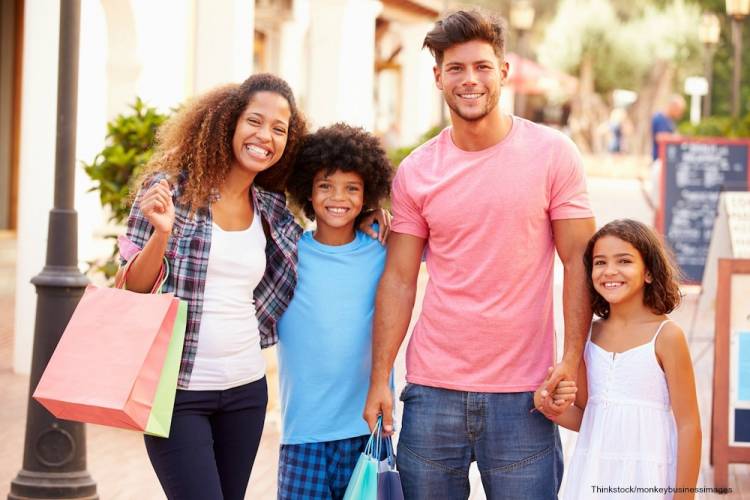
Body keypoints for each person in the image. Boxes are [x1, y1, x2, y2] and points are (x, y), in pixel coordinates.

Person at [363, 9, 596, 500]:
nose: (470, 80)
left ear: (504, 71)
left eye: (482, 66)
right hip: (431, 392)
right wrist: (380, 378)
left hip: (525, 396)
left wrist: (572, 359)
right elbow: (400, 279)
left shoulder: (553, 155)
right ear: (438, 77)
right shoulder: (417, 171)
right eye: (456, 68)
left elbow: (580, 260)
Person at [117, 74, 385, 500]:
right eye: (255, 121)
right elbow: (131, 289)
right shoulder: (170, 190)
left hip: (245, 391)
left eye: (279, 129)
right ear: (229, 123)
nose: (265, 136)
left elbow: (323, 233)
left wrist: (368, 213)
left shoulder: (271, 208)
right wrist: (161, 236)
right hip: (178, 390)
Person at [535, 219, 701, 499]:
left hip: (650, 478)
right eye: (600, 263)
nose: (610, 271)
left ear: (648, 272)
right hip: (594, 476)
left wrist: (684, 496)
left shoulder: (667, 336)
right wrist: (549, 407)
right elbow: (593, 417)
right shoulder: (589, 337)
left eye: (624, 261)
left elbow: (689, 425)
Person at [276, 123, 393, 500]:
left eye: (352, 188)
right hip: (303, 434)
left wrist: (378, 216)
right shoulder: (287, 254)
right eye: (325, 185)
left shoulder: (382, 253)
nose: (337, 197)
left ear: (367, 195)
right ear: (307, 191)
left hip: (368, 429)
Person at [652, 95, 686, 161]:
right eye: (679, 110)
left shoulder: (671, 121)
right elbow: (659, 137)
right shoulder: (659, 118)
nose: (680, 114)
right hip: (659, 159)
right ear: (673, 107)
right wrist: (675, 138)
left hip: (667, 160)